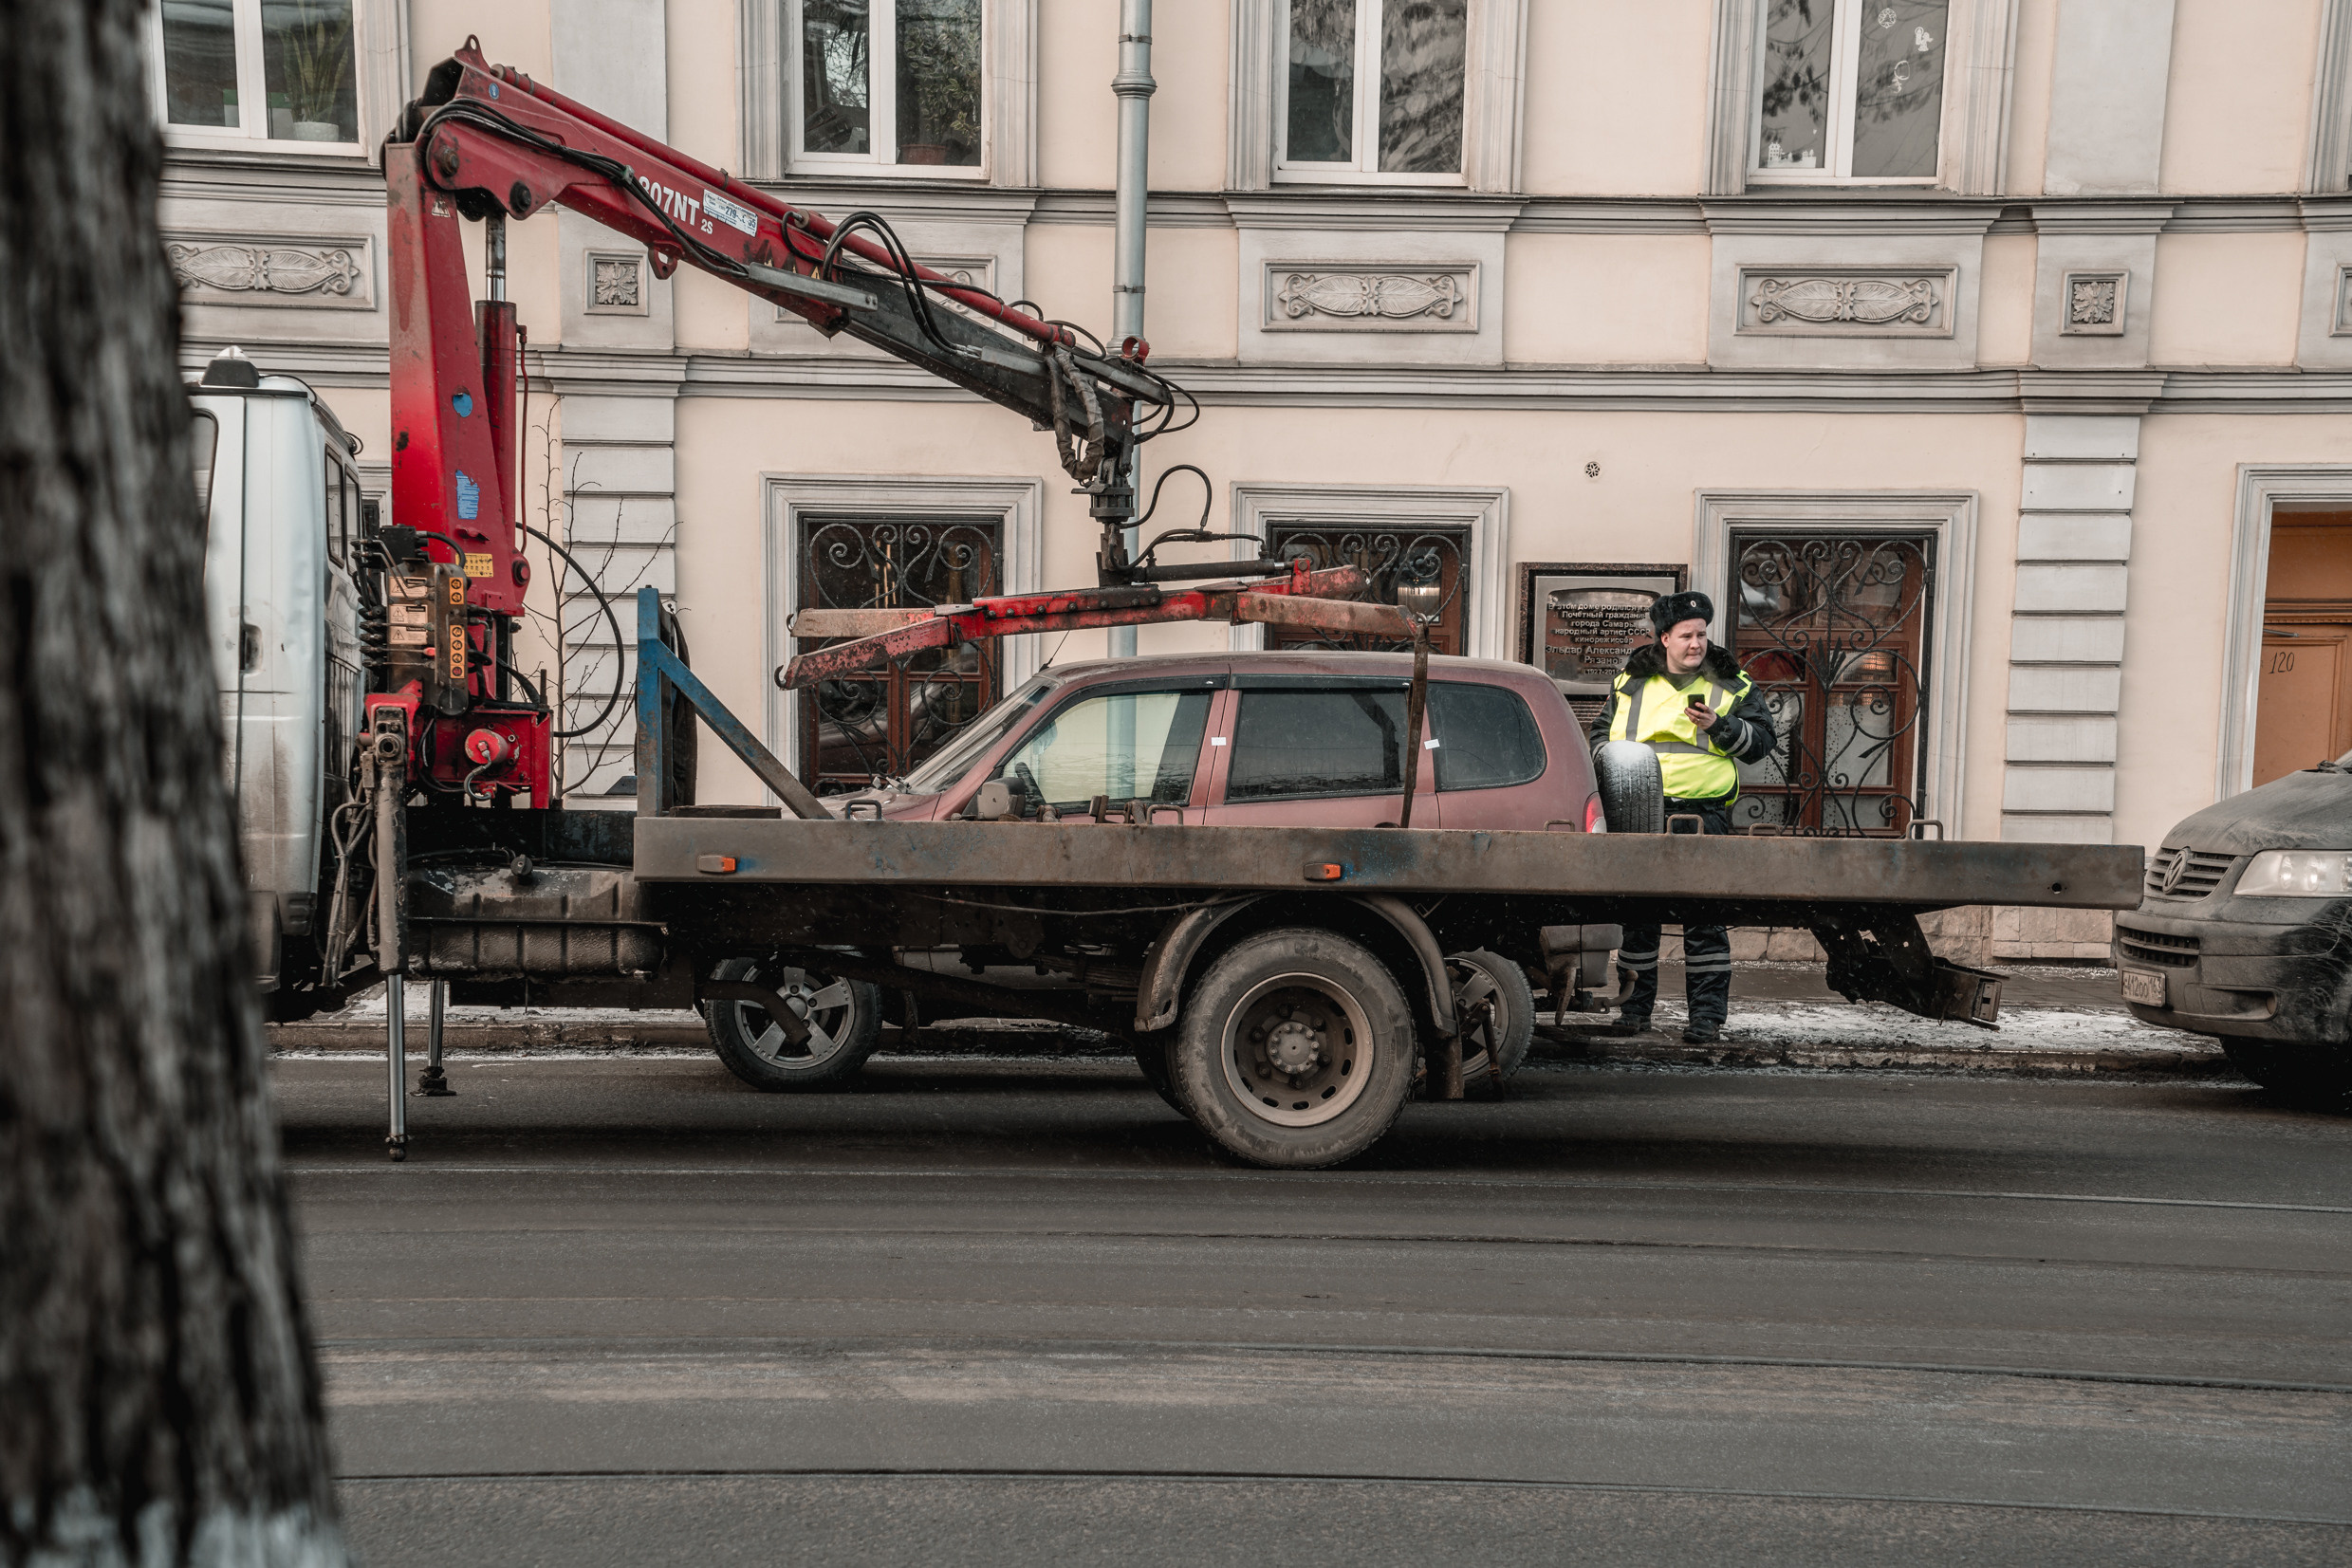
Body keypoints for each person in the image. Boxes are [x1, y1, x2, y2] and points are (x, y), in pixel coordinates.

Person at [1586, 590, 1778, 1044]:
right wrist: (1605, 762)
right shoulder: (1629, 684)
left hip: (1702, 816)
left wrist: (1719, 726)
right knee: (1639, 918)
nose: (1698, 644)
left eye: (1703, 635)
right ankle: (1633, 1013)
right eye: (1688, 635)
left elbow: (1763, 745)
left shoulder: (1733, 685)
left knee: (1704, 920)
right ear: (1665, 638)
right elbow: (1599, 738)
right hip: (1639, 814)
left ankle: (1706, 1021)